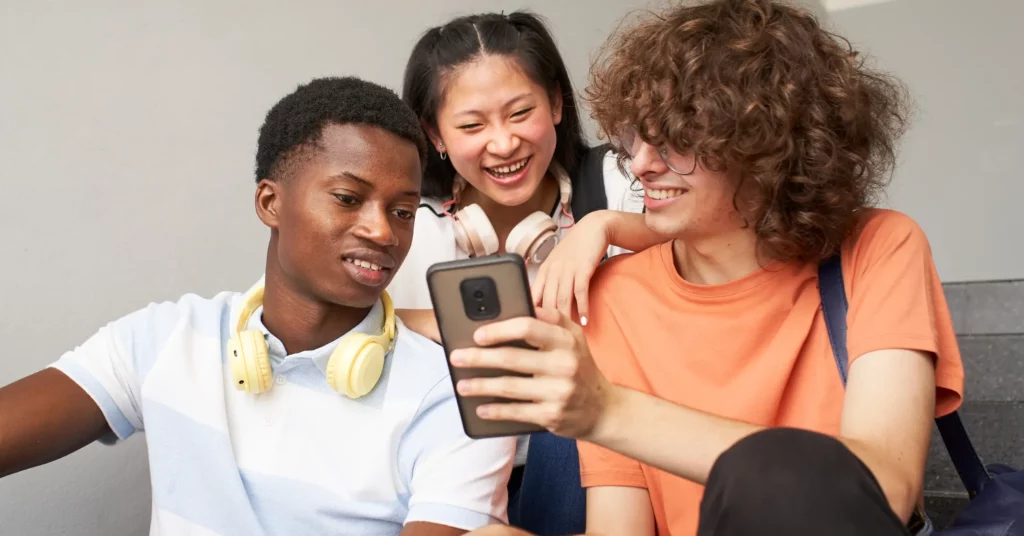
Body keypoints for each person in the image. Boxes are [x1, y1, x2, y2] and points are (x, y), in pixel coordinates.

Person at [452, 1, 966, 535]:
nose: (643, 164)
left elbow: (881, 488)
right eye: (636, 137)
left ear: (768, 144)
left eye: (676, 139)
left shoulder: (878, 247)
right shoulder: (616, 295)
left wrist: (608, 412)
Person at [0, 77, 515, 536]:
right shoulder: (166, 337)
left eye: (402, 211)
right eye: (347, 198)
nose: (382, 231)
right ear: (271, 203)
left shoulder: (459, 397)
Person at [387, 11, 644, 534]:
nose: (503, 144)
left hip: (591, 471)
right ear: (434, 133)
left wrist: (606, 227)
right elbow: (346, 323)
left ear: (554, 103)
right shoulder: (409, 227)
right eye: (472, 125)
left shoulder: (619, 182)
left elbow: (711, 233)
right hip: (452, 475)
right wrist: (438, 323)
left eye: (520, 112)